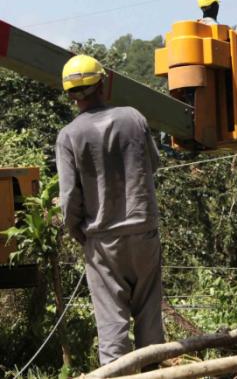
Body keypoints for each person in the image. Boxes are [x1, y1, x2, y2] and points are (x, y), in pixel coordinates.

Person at [56, 55, 164, 367]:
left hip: (102, 240)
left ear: (70, 95)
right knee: (149, 318)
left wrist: (79, 232)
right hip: (144, 231)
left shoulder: (69, 136)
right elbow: (152, 164)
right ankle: (154, 374)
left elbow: (69, 199)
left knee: (112, 325)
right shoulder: (133, 117)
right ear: (103, 83)